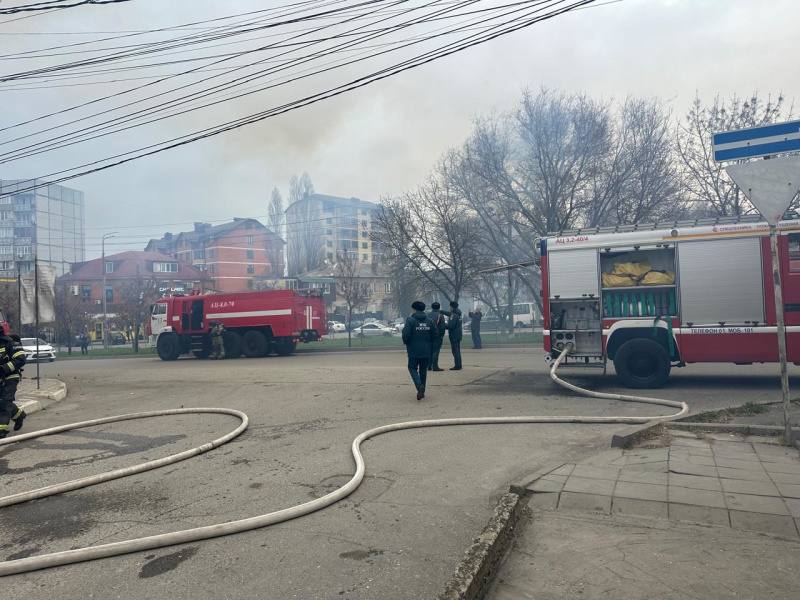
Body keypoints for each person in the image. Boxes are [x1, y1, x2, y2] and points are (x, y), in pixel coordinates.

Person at [402, 301, 436, 400]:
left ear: (414, 309)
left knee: (412, 368)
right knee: (423, 371)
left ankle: (419, 386)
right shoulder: (429, 321)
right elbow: (435, 334)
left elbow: (406, 335)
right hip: (426, 350)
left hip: (413, 350)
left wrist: (407, 342)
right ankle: (422, 391)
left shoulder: (410, 320)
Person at [0, 333, 27, 439]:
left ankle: (1, 429)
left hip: (10, 377)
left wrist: (3, 368)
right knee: (3, 402)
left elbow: (21, 359)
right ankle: (19, 415)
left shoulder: (11, 342)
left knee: (4, 401)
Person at [428, 302, 446, 371]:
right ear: (439, 307)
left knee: (429, 351)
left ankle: (429, 366)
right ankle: (435, 366)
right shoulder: (440, 315)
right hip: (437, 336)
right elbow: (442, 327)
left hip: (429, 335)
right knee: (436, 351)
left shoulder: (428, 315)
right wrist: (442, 335)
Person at [445, 300, 463, 370]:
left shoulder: (453, 315)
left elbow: (451, 326)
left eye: (450, 306)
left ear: (452, 307)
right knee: (457, 350)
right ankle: (459, 364)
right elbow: (448, 313)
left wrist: (443, 325)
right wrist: (441, 311)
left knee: (455, 351)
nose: (449, 308)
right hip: (458, 335)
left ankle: (457, 366)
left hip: (454, 335)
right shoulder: (458, 313)